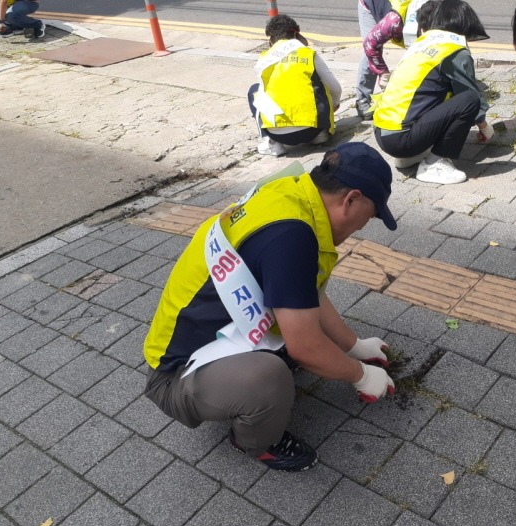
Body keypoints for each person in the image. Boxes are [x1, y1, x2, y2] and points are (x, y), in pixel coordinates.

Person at [143, 142, 397, 472]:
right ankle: (256, 442)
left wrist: (354, 346)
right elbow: (305, 346)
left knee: (301, 341)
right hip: (175, 376)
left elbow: (307, 293)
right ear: (351, 199)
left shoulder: (292, 196)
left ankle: (246, 385)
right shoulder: (291, 236)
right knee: (272, 377)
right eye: (368, 217)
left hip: (221, 339)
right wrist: (361, 376)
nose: (360, 229)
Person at [373, 0, 494, 185]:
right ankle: (435, 163)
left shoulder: (421, 46)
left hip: (382, 132)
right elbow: (469, 93)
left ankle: (410, 156)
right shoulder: (453, 49)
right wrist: (485, 127)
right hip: (402, 139)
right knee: (469, 100)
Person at [248, 15, 342, 157]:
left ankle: (271, 143)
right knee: (318, 82)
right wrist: (335, 102)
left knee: (255, 90)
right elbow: (335, 87)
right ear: (296, 34)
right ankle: (321, 134)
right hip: (311, 131)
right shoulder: (307, 53)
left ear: (271, 39)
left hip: (279, 135)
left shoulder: (264, 57)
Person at [361, 0, 438, 118]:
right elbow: (370, 44)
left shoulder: (443, 17)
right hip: (374, 4)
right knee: (370, 56)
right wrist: (383, 72)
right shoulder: (394, 21)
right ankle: (362, 100)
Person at [356, 0, 393, 120]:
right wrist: (383, 71)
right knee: (371, 47)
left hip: (400, 9)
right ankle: (363, 99)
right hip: (369, 6)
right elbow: (371, 47)